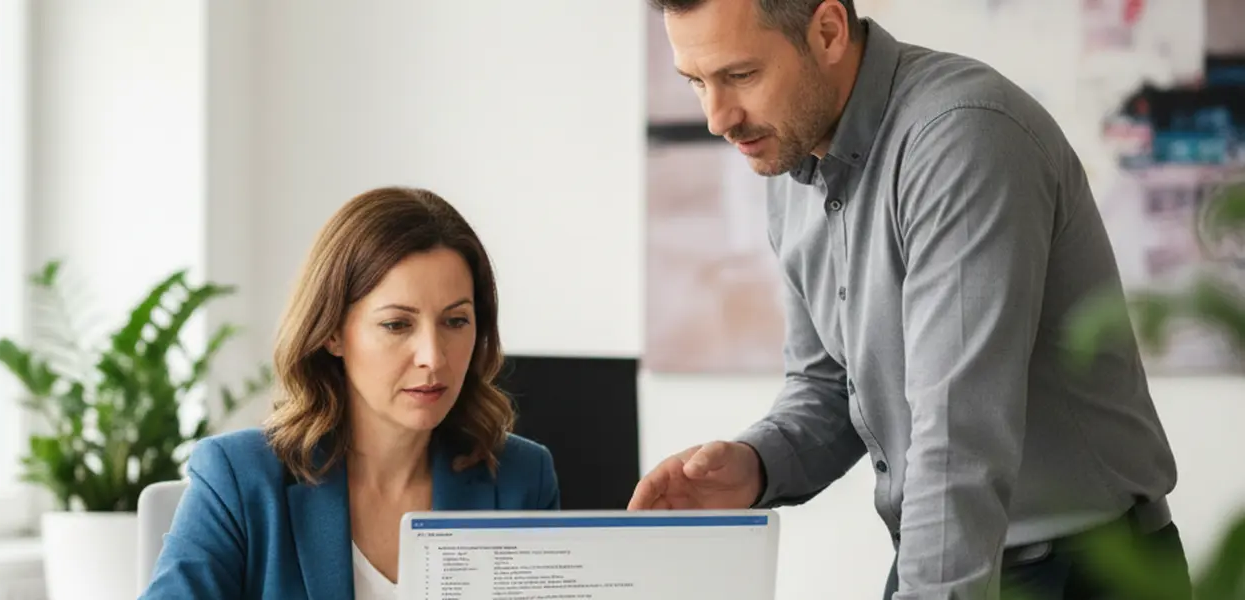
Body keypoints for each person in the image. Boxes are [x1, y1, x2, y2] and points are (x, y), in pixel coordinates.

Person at [630, 1, 1192, 598]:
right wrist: (757, 464)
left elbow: (959, 436)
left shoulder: (964, 135)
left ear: (827, 32)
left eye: (740, 76)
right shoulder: (790, 157)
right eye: (697, 82)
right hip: (948, 555)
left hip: (1087, 574)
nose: (719, 117)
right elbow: (827, 384)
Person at [140, 186, 561, 599]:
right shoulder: (238, 478)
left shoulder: (521, 480)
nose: (433, 358)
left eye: (455, 321)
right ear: (333, 334)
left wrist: (618, 572)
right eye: (397, 324)